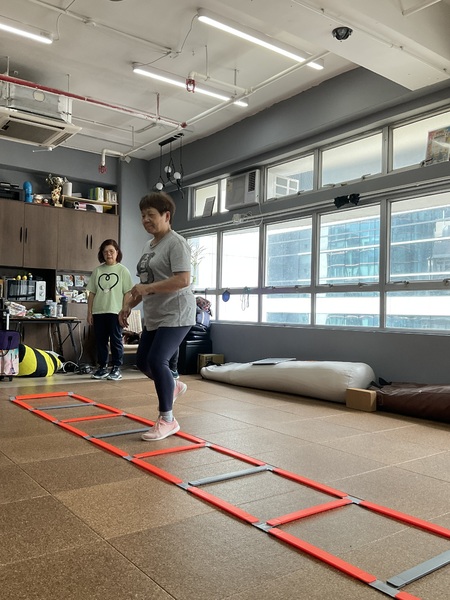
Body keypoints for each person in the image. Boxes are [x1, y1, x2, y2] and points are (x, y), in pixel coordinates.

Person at [119, 191, 195, 441]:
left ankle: (167, 420)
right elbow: (145, 285)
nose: (145, 220)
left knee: (158, 360)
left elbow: (183, 280)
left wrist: (147, 288)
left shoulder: (176, 243)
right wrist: (128, 305)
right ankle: (172, 385)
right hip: (155, 313)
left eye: (150, 215)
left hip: (177, 312)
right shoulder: (148, 246)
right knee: (143, 362)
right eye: (142, 215)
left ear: (166, 216)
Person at [87, 239, 133, 381]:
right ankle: (102, 367)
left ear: (117, 252)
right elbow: (91, 293)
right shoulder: (97, 271)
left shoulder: (123, 270)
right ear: (102, 254)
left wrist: (124, 311)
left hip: (115, 312)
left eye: (111, 251)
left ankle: (116, 368)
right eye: (105, 251)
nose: (108, 254)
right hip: (98, 312)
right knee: (100, 341)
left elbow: (128, 293)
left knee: (115, 340)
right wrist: (89, 312)